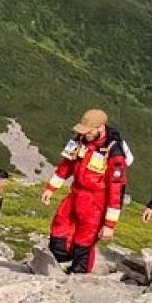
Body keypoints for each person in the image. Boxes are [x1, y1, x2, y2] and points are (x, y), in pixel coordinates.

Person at [42, 108, 129, 275]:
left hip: (96, 202)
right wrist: (51, 188)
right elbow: (66, 164)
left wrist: (109, 225)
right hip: (76, 194)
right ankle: (63, 268)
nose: (85, 134)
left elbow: (116, 190)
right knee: (58, 232)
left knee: (84, 242)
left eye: (89, 131)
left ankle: (78, 277)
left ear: (101, 127)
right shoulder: (79, 140)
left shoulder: (114, 152)